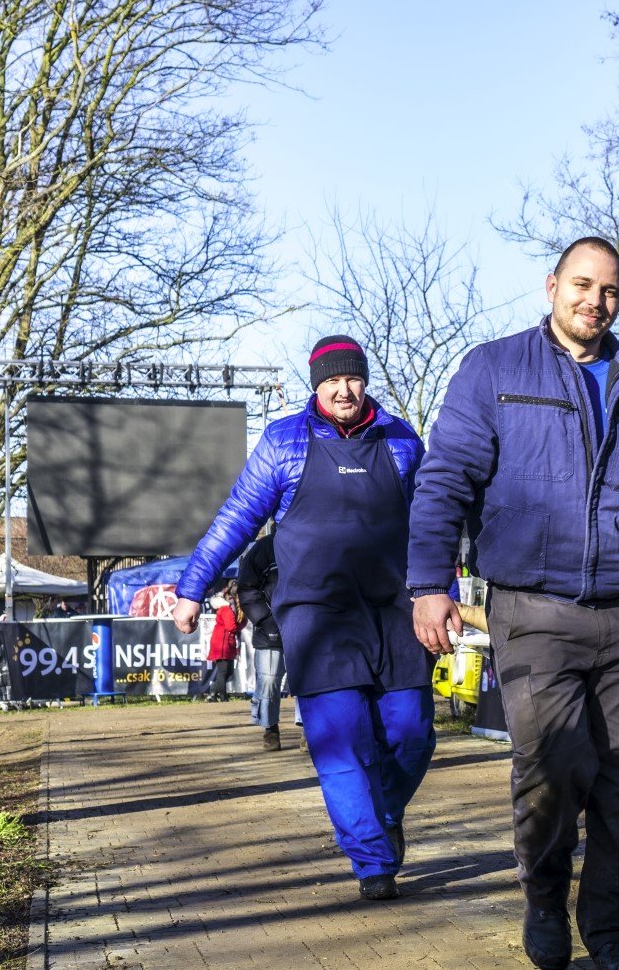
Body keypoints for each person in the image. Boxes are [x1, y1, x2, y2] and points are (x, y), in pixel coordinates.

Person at [408, 236, 619, 970]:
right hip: (533, 605)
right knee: (552, 766)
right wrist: (428, 583)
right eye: (580, 284)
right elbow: (444, 481)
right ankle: (542, 897)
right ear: (551, 286)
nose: (593, 301)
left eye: (608, 291)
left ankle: (614, 931)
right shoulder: (493, 368)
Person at [172, 335, 433, 901]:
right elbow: (238, 516)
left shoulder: (401, 441)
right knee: (343, 743)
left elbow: (434, 522)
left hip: (394, 610)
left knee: (413, 734)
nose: (343, 389)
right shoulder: (283, 441)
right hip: (317, 616)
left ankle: (383, 814)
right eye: (332, 380)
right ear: (316, 384)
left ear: (365, 381)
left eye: (353, 378)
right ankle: (372, 864)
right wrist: (193, 587)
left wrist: (442, 593)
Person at [237, 533, 293, 751]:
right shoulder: (263, 548)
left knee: (308, 682)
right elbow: (247, 588)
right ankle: (270, 728)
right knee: (268, 681)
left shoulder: (312, 539)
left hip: (306, 627)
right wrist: (265, 619)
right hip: (270, 628)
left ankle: (309, 731)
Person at [203, 583, 242, 701]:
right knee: (223, 672)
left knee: (225, 672)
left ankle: (214, 693)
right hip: (223, 643)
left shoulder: (223, 610)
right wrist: (238, 627)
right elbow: (231, 627)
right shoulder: (226, 610)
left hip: (222, 642)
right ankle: (222, 696)